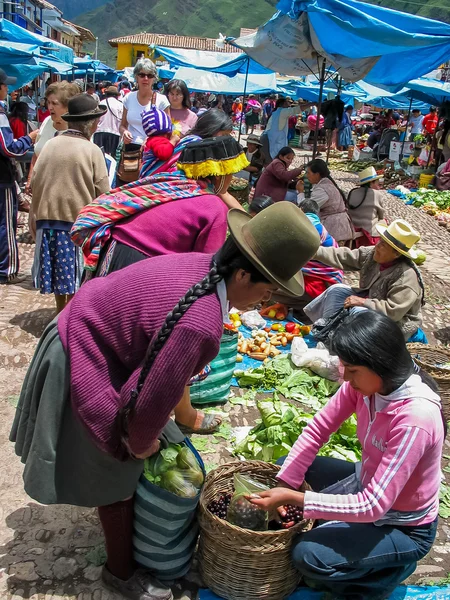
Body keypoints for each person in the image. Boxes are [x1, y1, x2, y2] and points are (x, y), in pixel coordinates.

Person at [10, 202, 320, 600]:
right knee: (118, 472)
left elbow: (159, 376)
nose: (264, 300)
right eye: (266, 290)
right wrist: (141, 444)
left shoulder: (203, 267)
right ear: (243, 274)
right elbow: (154, 399)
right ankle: (121, 574)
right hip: (81, 351)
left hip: (90, 334)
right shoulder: (201, 321)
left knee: (131, 453)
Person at [250, 310, 443, 600]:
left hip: (403, 525)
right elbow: (318, 429)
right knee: (286, 470)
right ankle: (362, 551)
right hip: (365, 481)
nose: (346, 379)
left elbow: (374, 506)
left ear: (380, 364)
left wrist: (297, 499)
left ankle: (384, 575)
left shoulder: (416, 417)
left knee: (308, 555)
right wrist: (287, 483)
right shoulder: (365, 387)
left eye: (352, 371)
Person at [73, 136, 248, 433]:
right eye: (231, 175)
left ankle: (107, 399)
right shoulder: (212, 208)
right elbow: (205, 274)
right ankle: (173, 416)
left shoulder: (172, 184)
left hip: (113, 254)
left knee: (116, 342)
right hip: (140, 267)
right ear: (220, 174)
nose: (233, 181)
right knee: (170, 342)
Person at [30, 95, 110, 313]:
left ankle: (59, 312)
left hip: (48, 222)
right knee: (76, 277)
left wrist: (33, 218)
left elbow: (35, 183)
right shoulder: (92, 150)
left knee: (59, 278)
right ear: (91, 123)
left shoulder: (50, 145)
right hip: (76, 226)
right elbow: (104, 191)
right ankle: (71, 317)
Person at [303, 219, 425, 341]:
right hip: (370, 299)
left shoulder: (406, 278)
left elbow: (393, 312)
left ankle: (348, 343)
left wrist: (362, 302)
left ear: (397, 254)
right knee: (336, 291)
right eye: (380, 241)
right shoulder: (373, 254)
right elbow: (344, 256)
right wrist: (315, 251)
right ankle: (328, 332)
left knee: (358, 311)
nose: (377, 246)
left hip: (395, 323)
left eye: (383, 245)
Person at [0, 69, 38, 284]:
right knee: (6, 223)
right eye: (5, 85)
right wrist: (29, 139)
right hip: (2, 177)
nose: (7, 89)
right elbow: (9, 149)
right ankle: (7, 270)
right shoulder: (0, 115)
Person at [26, 81, 80, 195]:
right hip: (40, 191)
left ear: (67, 106)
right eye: (48, 102)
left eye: (54, 103)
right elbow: (36, 154)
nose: (49, 107)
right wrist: (30, 179)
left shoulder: (78, 129)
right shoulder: (46, 122)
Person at [297, 159, 353, 243]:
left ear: (317, 174)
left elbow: (306, 207)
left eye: (308, 173)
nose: (306, 175)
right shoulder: (323, 184)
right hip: (336, 225)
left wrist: (300, 192)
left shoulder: (323, 190)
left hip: (335, 228)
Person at [120, 59, 170, 148]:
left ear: (154, 79)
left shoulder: (162, 100)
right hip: (130, 150)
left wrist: (152, 139)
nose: (145, 79)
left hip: (152, 150)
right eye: (142, 75)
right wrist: (124, 132)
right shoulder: (128, 98)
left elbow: (168, 130)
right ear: (136, 77)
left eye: (150, 75)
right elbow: (122, 125)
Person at [347, 166, 385, 247]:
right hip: (368, 231)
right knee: (384, 222)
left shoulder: (352, 192)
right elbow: (381, 215)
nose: (378, 186)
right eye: (377, 183)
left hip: (352, 227)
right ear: (371, 183)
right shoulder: (377, 194)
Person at [93, 85, 124, 157]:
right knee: (112, 157)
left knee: (99, 157)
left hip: (100, 132)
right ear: (116, 96)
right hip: (114, 133)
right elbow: (121, 121)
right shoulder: (120, 105)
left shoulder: (101, 103)